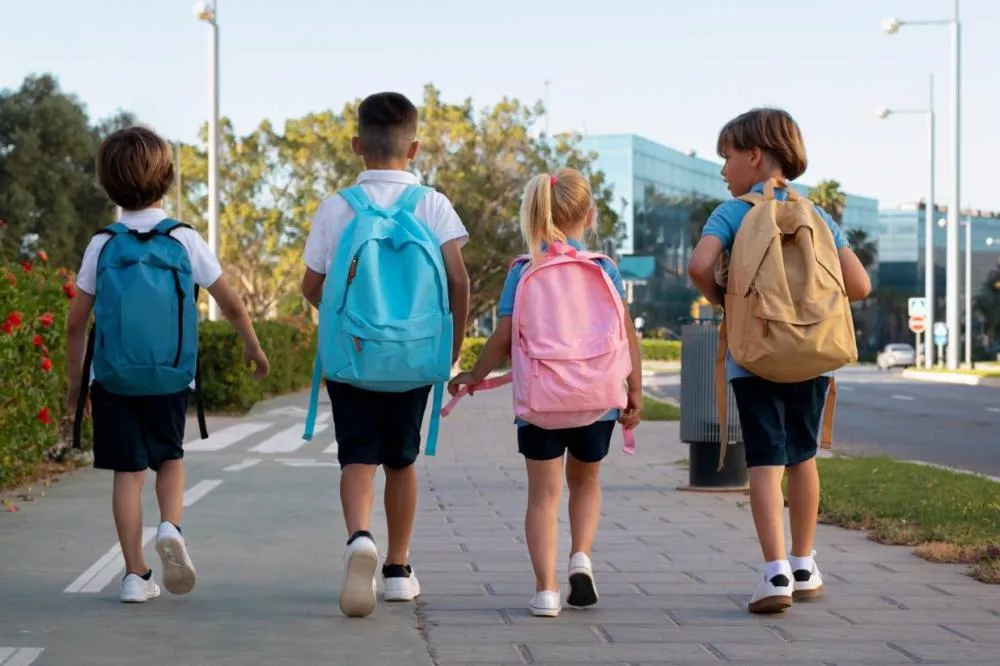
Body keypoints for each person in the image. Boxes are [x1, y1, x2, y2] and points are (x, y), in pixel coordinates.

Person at [66, 125, 270, 604]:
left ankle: (135, 576)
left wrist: (76, 387)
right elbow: (232, 303)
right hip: (170, 376)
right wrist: (252, 345)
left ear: (106, 183)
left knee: (127, 475)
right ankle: (170, 527)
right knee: (170, 459)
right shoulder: (183, 239)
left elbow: (77, 324)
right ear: (169, 179)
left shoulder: (102, 244)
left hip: (112, 379)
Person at [688, 108, 871, 613]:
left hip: (756, 357)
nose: (723, 170)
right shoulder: (819, 215)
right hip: (813, 357)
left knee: (765, 463)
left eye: (726, 157)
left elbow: (700, 265)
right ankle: (805, 564)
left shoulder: (732, 213)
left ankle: (773, 575)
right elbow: (859, 284)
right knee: (803, 458)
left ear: (754, 155)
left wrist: (725, 298)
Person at [300, 91, 470, 618]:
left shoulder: (337, 208)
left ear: (357, 145)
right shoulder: (432, 205)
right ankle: (398, 569)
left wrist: (343, 316)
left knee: (356, 456)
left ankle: (359, 540)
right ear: (414, 147)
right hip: (416, 356)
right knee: (402, 460)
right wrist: (452, 345)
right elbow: (458, 280)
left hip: (352, 356)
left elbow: (312, 285)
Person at [449, 168, 642, 618]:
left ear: (535, 215)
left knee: (543, 496)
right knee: (586, 481)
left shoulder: (524, 270)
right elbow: (626, 332)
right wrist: (633, 389)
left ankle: (546, 591)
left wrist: (473, 376)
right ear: (589, 215)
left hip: (540, 403)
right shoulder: (604, 268)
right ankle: (581, 557)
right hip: (596, 398)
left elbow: (502, 337)